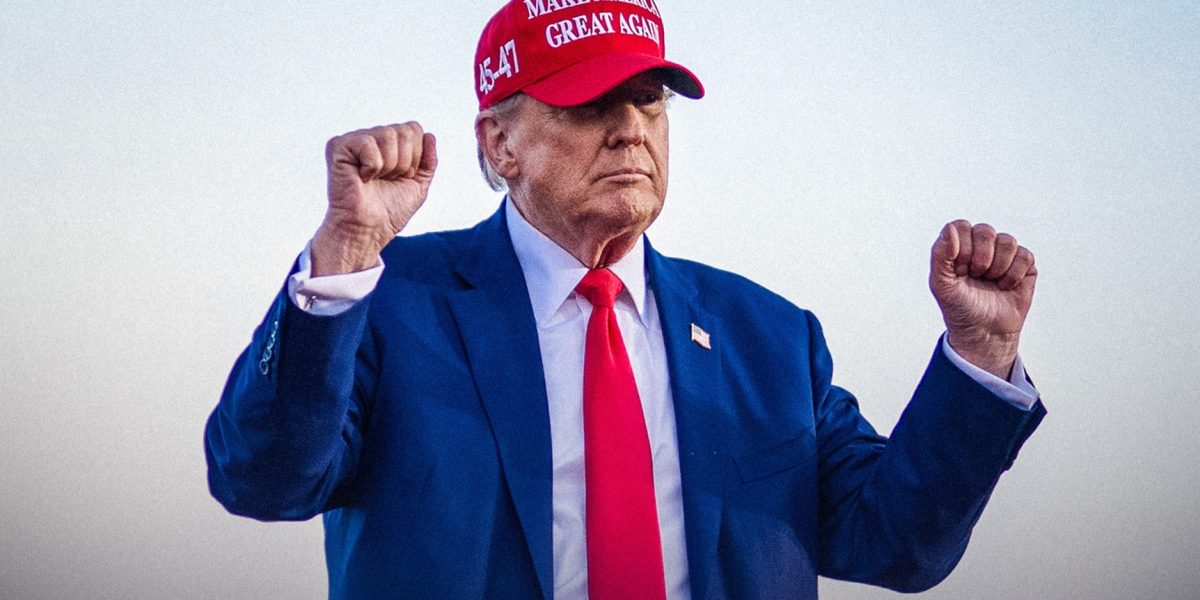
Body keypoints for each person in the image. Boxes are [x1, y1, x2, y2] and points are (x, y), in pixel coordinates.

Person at [205, 1, 1045, 599]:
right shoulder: (389, 300)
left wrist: (980, 355)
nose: (631, 128)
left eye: (648, 100)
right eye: (590, 102)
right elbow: (261, 480)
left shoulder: (769, 338)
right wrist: (345, 254)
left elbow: (895, 541)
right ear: (500, 143)